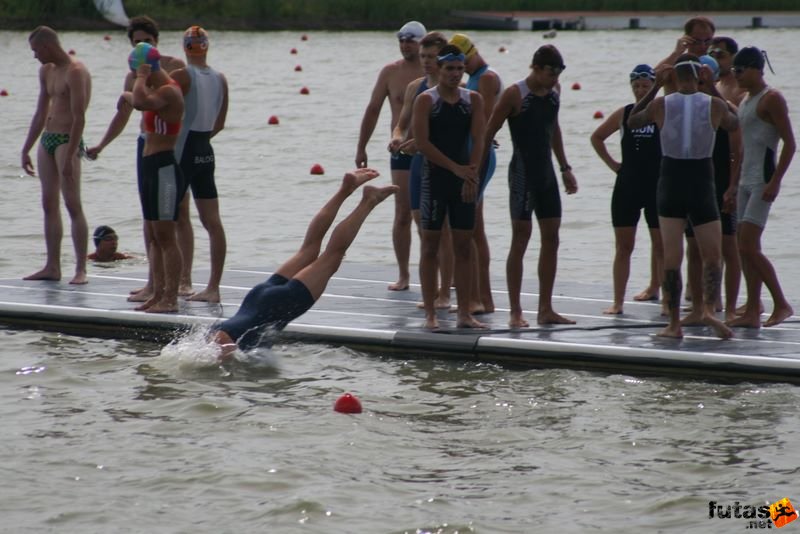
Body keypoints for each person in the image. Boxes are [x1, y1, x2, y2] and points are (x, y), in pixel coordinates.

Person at [211, 169, 397, 360]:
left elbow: (226, 351)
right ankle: (345, 190)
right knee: (308, 249)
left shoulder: (219, 345)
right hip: (257, 297)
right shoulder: (213, 334)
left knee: (332, 256)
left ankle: (368, 201)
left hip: (280, 303)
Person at [628, 54, 739, 339]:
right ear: (699, 77)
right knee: (713, 256)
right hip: (702, 181)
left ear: (673, 80)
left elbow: (632, 122)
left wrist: (655, 86)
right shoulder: (714, 103)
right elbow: (735, 122)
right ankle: (710, 312)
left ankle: (674, 323)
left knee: (672, 258)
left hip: (671, 181)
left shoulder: (661, 103)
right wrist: (712, 86)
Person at [86, 15, 187, 301]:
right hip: (148, 154)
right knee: (153, 228)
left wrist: (132, 90)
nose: (140, 47)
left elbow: (142, 102)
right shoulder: (136, 76)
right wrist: (102, 144)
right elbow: (126, 112)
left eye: (146, 42)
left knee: (172, 228)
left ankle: (175, 290)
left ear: (156, 42)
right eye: (136, 43)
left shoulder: (172, 74)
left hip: (171, 155)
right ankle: (155, 288)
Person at [484, 44, 578, 328]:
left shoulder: (554, 93)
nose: (555, 79)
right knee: (521, 239)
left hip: (547, 174)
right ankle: (515, 311)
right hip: (522, 174)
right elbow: (489, 131)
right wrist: (474, 172)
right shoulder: (515, 93)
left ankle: (545, 309)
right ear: (536, 68)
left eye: (559, 73)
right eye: (551, 72)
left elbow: (554, 129)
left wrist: (565, 168)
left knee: (552, 238)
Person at [412, 45, 485, 330]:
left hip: (464, 180)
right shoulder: (425, 101)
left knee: (464, 247)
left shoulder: (473, 100)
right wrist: (456, 169)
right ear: (439, 69)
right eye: (450, 69)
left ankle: (465, 312)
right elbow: (422, 144)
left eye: (460, 68)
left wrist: (471, 176)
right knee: (430, 247)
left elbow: (480, 139)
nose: (455, 74)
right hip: (433, 180)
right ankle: (431, 313)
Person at [727, 47, 795, 328]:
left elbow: (790, 144)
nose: (736, 76)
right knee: (744, 249)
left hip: (762, 182)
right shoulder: (744, 100)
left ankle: (781, 303)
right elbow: (742, 150)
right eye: (733, 71)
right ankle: (753, 310)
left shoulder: (772, 99)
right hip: (744, 181)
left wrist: (776, 181)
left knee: (748, 246)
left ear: (756, 69)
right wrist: (731, 185)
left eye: (739, 71)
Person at [355, 20, 425, 292]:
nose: (405, 44)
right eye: (402, 40)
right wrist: (362, 147)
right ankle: (404, 275)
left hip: (430, 151)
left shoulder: (436, 70)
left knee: (429, 217)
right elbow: (373, 109)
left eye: (411, 40)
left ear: (421, 42)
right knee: (403, 214)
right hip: (400, 152)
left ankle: (441, 274)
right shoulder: (390, 72)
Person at [590, 64, 664, 315]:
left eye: (645, 86)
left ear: (653, 87)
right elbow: (597, 137)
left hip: (656, 186)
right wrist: (614, 165)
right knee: (624, 247)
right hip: (627, 186)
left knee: (661, 244)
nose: (641, 90)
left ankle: (662, 296)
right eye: (637, 86)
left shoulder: (661, 112)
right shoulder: (624, 114)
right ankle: (618, 302)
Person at [20, 26, 91, 285]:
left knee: (72, 203)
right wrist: (26, 148)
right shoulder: (46, 71)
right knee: (48, 203)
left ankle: (81, 268)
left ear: (48, 47)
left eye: (36, 50)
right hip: (47, 139)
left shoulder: (76, 72)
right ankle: (52, 266)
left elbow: (79, 117)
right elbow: (40, 112)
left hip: (66, 141)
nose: (35, 56)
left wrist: (72, 155)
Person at [389, 31, 454, 310]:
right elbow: (402, 124)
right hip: (418, 166)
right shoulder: (415, 87)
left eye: (432, 57)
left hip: (444, 165)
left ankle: (446, 291)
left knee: (446, 230)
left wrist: (424, 143)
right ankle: (430, 288)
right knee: (424, 228)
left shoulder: (455, 89)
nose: (426, 61)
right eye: (424, 56)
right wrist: (397, 137)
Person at [170, 26, 229, 303]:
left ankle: (179, 283)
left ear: (185, 47)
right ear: (207, 47)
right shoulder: (221, 78)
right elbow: (220, 124)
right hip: (205, 149)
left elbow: (160, 108)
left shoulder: (180, 76)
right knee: (212, 222)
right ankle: (213, 288)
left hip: (182, 151)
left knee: (173, 219)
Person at [682, 55, 742, 323]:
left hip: (721, 183)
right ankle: (698, 307)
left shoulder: (721, 105)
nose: (700, 82)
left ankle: (729, 307)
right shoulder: (688, 105)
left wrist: (732, 187)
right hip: (697, 183)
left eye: (705, 77)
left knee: (729, 247)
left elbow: (738, 149)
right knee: (694, 247)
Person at [126, 42, 186, 313]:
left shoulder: (170, 91)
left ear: (148, 69)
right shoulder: (156, 90)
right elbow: (137, 100)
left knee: (166, 236)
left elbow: (139, 102)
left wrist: (138, 80)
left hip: (164, 168)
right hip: (150, 166)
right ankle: (158, 294)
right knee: (153, 234)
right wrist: (130, 92)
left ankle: (170, 299)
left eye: (140, 72)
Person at [450, 33, 504, 315]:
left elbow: (483, 122)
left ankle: (482, 298)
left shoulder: (486, 77)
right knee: (473, 229)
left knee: (473, 231)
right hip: (472, 156)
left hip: (479, 158)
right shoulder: (474, 77)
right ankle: (478, 297)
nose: (461, 67)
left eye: (462, 61)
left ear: (471, 54)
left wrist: (473, 166)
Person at [657, 16, 715, 93]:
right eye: (697, 41)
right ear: (687, 38)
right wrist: (676, 53)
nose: (703, 46)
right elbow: (650, 79)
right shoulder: (675, 64)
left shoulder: (717, 63)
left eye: (707, 41)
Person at [709, 36, 747, 106]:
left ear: (735, 57)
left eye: (720, 56)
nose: (715, 62)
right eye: (711, 57)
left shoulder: (744, 88)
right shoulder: (714, 85)